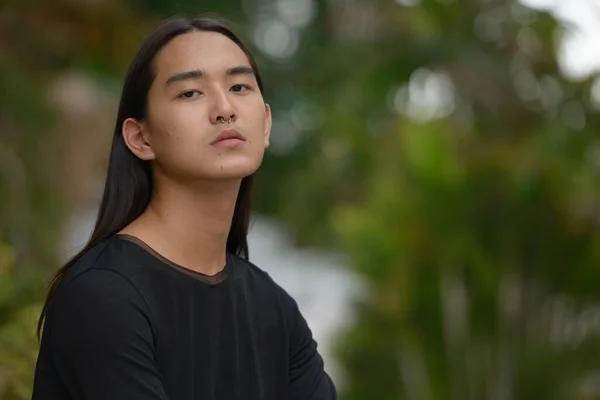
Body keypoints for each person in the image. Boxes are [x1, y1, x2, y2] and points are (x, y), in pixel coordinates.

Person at [32, 15, 337, 400]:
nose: (224, 108)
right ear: (140, 137)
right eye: (191, 93)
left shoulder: (274, 309)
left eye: (240, 86)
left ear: (266, 125)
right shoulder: (102, 296)